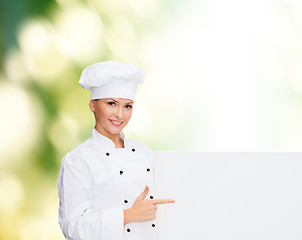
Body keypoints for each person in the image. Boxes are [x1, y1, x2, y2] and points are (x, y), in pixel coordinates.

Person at [57, 61, 175, 240]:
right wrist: (128, 215)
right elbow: (73, 227)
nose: (120, 114)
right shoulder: (77, 160)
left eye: (128, 106)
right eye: (111, 103)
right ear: (92, 105)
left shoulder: (146, 153)